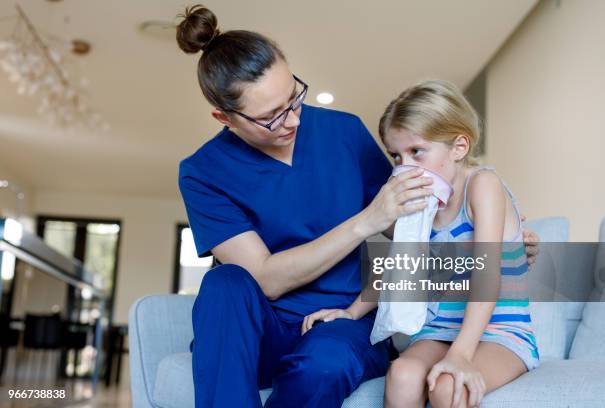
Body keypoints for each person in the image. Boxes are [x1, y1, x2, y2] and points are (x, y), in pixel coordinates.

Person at [176, 5, 540, 407]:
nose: (293, 120)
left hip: (341, 325)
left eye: (293, 98)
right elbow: (264, 278)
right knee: (223, 282)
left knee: (325, 363)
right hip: (264, 331)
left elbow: (408, 232)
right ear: (224, 117)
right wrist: (365, 221)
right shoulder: (202, 172)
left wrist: (499, 243)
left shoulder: (344, 131)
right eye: (270, 117)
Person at [302, 80, 539, 408]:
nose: (405, 167)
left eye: (417, 152)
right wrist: (351, 312)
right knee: (401, 374)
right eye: (396, 156)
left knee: (447, 386)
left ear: (458, 147)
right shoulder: (420, 206)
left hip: (499, 333)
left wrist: (460, 354)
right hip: (438, 330)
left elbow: (487, 275)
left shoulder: (483, 185)